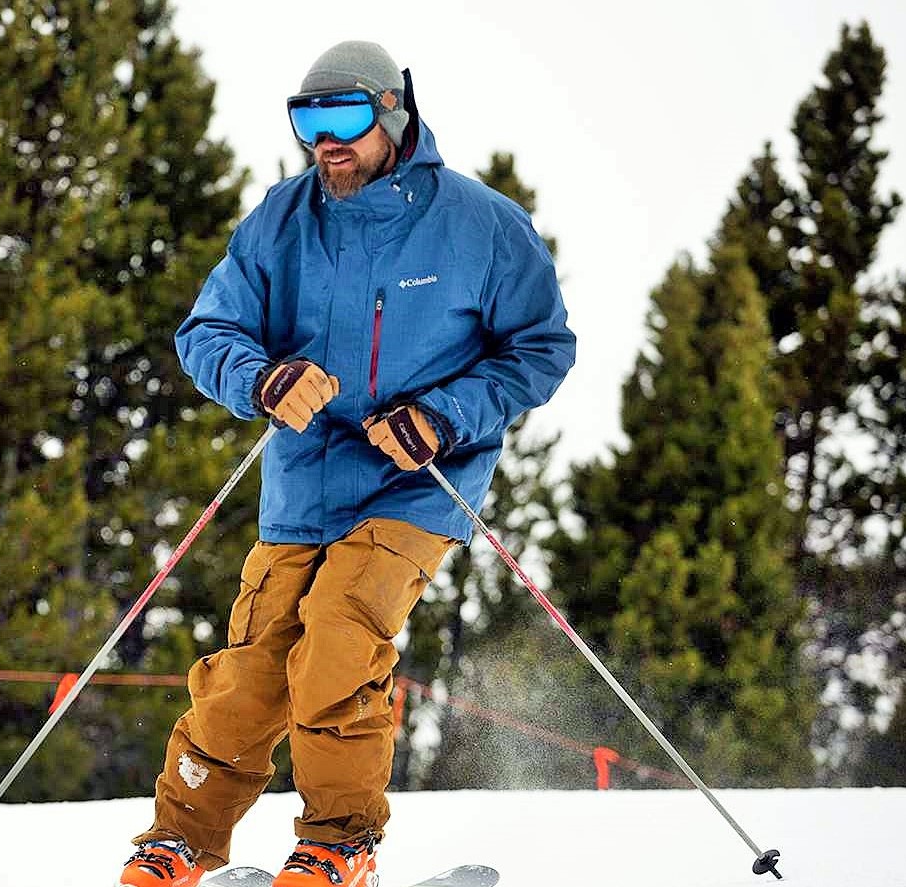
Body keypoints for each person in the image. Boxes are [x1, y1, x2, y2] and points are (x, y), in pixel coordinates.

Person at [118, 40, 576, 887]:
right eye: (308, 120)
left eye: (346, 118)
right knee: (250, 668)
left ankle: (339, 841)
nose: (325, 141)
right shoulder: (280, 222)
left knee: (337, 637)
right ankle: (180, 842)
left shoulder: (480, 224)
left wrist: (444, 416)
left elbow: (541, 349)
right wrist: (262, 376)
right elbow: (205, 331)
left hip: (415, 483)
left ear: (394, 112)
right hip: (303, 482)